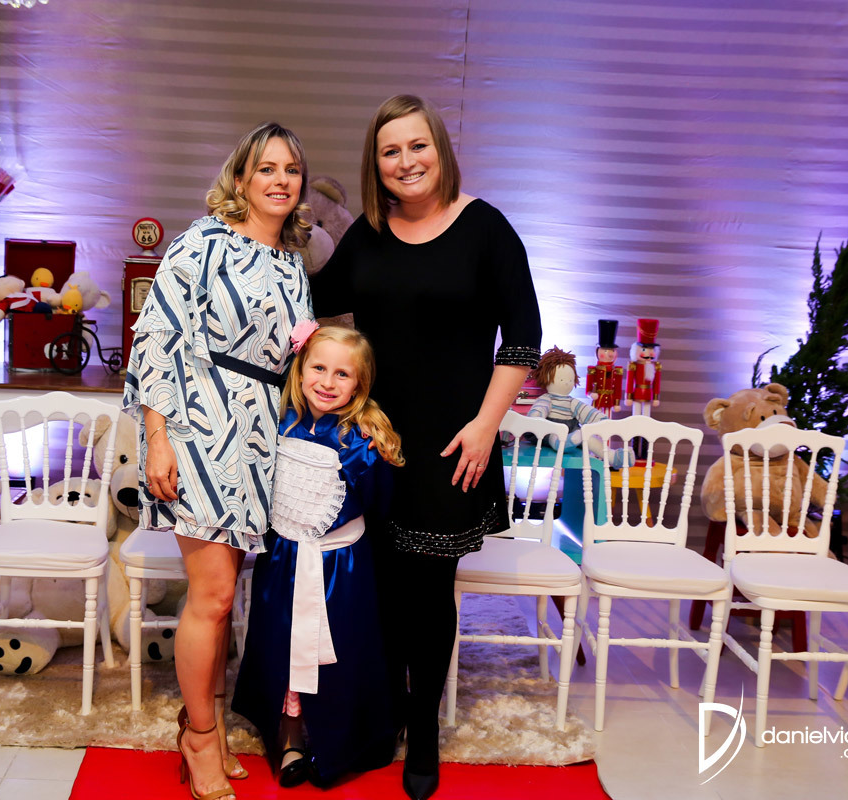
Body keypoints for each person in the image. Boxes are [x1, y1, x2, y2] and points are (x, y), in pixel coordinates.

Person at [308, 94, 542, 800]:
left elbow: (523, 338)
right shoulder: (369, 234)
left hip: (451, 444)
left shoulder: (486, 229)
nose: (406, 161)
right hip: (373, 440)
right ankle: (382, 711)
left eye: (418, 146)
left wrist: (487, 424)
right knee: (377, 582)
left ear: (440, 149)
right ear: (374, 164)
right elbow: (312, 303)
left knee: (428, 591)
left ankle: (425, 724)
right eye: (390, 151)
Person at [123, 121, 313, 800]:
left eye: (291, 169)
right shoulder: (203, 241)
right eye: (266, 168)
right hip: (199, 425)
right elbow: (156, 339)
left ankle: (206, 722)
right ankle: (201, 738)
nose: (280, 180)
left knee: (229, 595)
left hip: (262, 434)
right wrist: (157, 437)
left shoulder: (295, 264)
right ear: (240, 179)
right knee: (214, 595)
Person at [233, 324, 404, 788]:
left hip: (340, 569)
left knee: (339, 655)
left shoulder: (362, 439)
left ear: (360, 383)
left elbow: (381, 503)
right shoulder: (278, 421)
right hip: (282, 563)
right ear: (301, 369)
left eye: (342, 374)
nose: (328, 382)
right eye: (319, 368)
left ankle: (338, 742)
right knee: (283, 649)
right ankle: (289, 736)